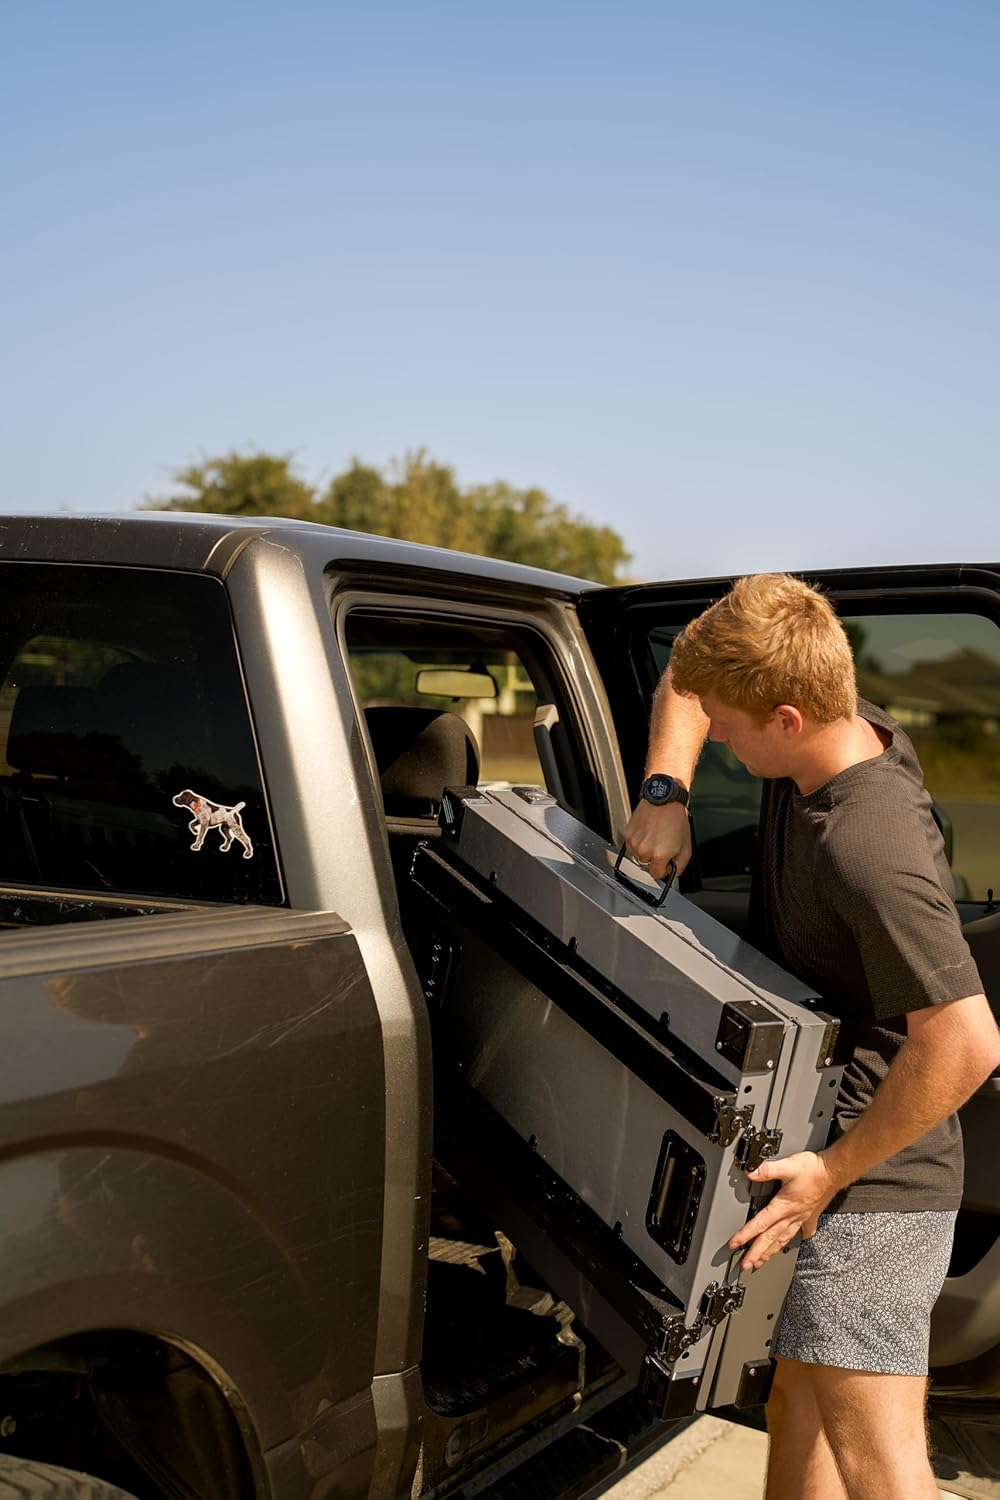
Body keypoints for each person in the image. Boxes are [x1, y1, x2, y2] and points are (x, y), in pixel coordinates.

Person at [623, 574, 1000, 1500]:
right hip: (823, 1161)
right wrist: (666, 791)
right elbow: (689, 672)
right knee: (796, 1405)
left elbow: (967, 1041)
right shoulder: (829, 715)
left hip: (874, 1184)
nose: (716, 733)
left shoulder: (867, 843)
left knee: (884, 1466)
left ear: (787, 717)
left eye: (728, 726)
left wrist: (831, 1174)